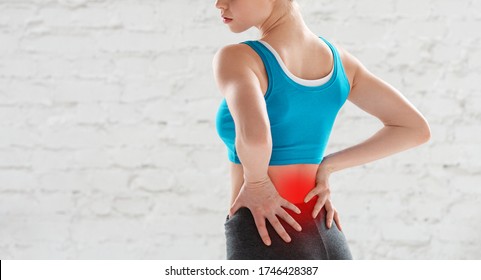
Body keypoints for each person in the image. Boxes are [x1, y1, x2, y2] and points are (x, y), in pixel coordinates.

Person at [212, 0, 431, 260]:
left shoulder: (239, 58)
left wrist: (257, 183)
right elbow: (414, 128)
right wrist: (327, 166)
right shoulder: (341, 63)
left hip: (270, 230)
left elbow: (256, 138)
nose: (219, 4)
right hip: (326, 233)